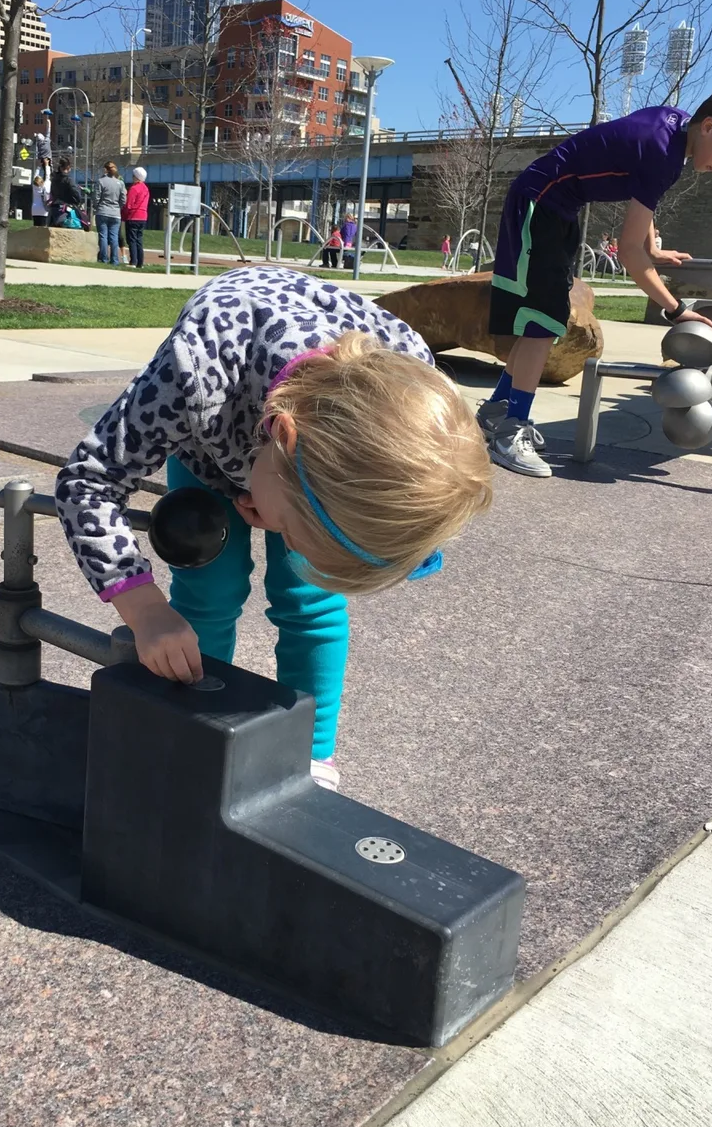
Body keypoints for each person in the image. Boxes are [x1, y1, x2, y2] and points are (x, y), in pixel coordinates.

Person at [55, 266, 492, 790]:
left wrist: (294, 517)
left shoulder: (413, 399)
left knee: (310, 600)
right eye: (286, 529)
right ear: (283, 437)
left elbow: (409, 509)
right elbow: (88, 481)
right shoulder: (196, 370)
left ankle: (309, 751)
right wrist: (145, 610)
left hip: (283, 457)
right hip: (215, 429)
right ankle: (191, 724)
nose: (279, 537)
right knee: (209, 586)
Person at [477, 86, 712, 478]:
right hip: (539, 206)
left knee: (544, 320)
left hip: (555, 207)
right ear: (708, 127)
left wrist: (652, 248)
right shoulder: (665, 156)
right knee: (541, 322)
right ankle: (509, 432)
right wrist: (677, 310)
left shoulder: (671, 127)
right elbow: (628, 253)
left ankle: (496, 411)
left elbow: (643, 195)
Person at [93, 160, 127, 264]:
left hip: (103, 211)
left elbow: (96, 197)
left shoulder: (101, 181)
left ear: (105, 170)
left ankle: (104, 258)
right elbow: (123, 199)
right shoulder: (120, 183)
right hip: (115, 213)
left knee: (103, 236)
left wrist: (97, 207)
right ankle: (115, 260)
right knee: (114, 237)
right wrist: (118, 207)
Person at [122, 166, 150, 267]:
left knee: (132, 240)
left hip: (133, 216)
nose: (132, 177)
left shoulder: (134, 188)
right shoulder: (146, 189)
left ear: (136, 177)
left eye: (133, 175)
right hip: (143, 216)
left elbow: (128, 204)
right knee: (139, 240)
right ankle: (140, 263)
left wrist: (124, 215)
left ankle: (133, 261)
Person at [48, 156, 83, 227]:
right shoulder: (68, 180)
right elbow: (75, 193)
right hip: (66, 209)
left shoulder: (54, 179)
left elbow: (52, 192)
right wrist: (77, 201)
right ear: (69, 167)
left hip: (55, 208)